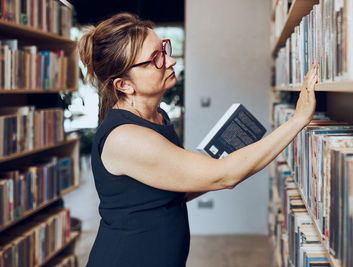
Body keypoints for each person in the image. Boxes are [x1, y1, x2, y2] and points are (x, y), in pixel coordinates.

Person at [78, 13, 318, 267]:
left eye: (164, 48)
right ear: (124, 85)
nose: (170, 60)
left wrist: (219, 158)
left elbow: (169, 192)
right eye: (156, 59)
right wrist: (298, 120)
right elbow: (226, 176)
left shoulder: (158, 116)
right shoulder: (125, 137)